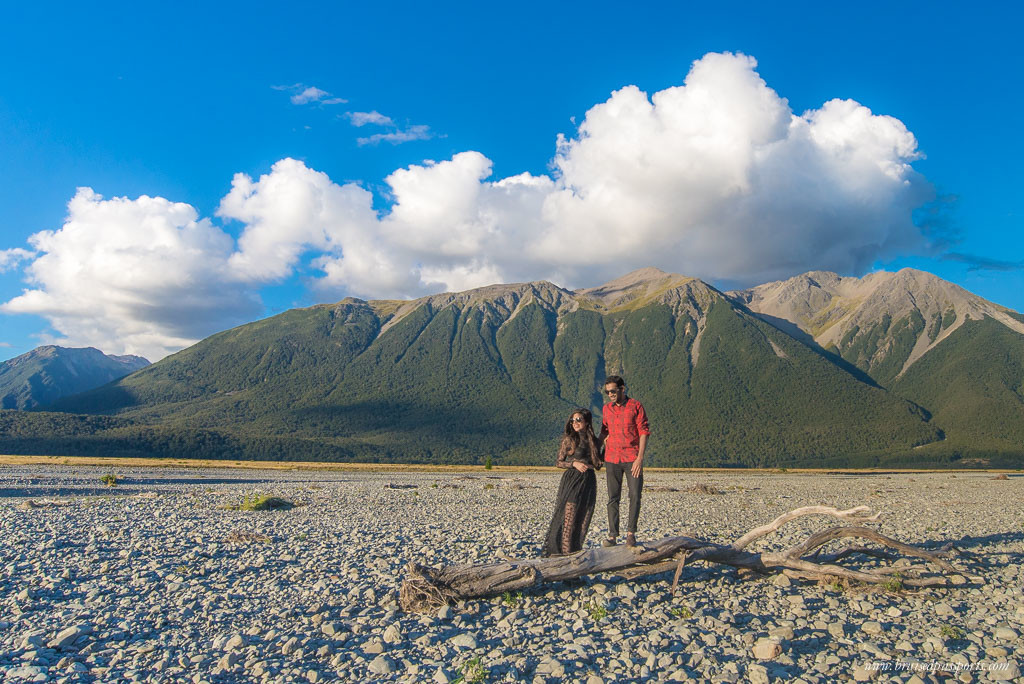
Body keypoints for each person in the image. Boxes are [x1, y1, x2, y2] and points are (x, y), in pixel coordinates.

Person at [599, 375, 650, 548]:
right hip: (611, 458)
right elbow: (604, 432)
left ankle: (631, 534)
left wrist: (640, 459)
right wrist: (595, 453)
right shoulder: (606, 409)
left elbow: (644, 431)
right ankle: (612, 536)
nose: (610, 394)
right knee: (613, 497)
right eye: (607, 392)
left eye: (613, 391)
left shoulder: (636, 406)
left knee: (635, 495)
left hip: (631, 458)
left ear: (622, 389)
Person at [543, 408, 603, 556]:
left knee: (582, 521)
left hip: (588, 481)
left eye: (578, 420)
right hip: (573, 481)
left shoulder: (592, 440)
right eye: (572, 420)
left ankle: (575, 554)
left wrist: (605, 445)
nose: (575, 423)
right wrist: (574, 464)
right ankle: (564, 555)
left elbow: (598, 465)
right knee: (568, 521)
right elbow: (559, 462)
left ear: (586, 422)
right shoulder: (569, 439)